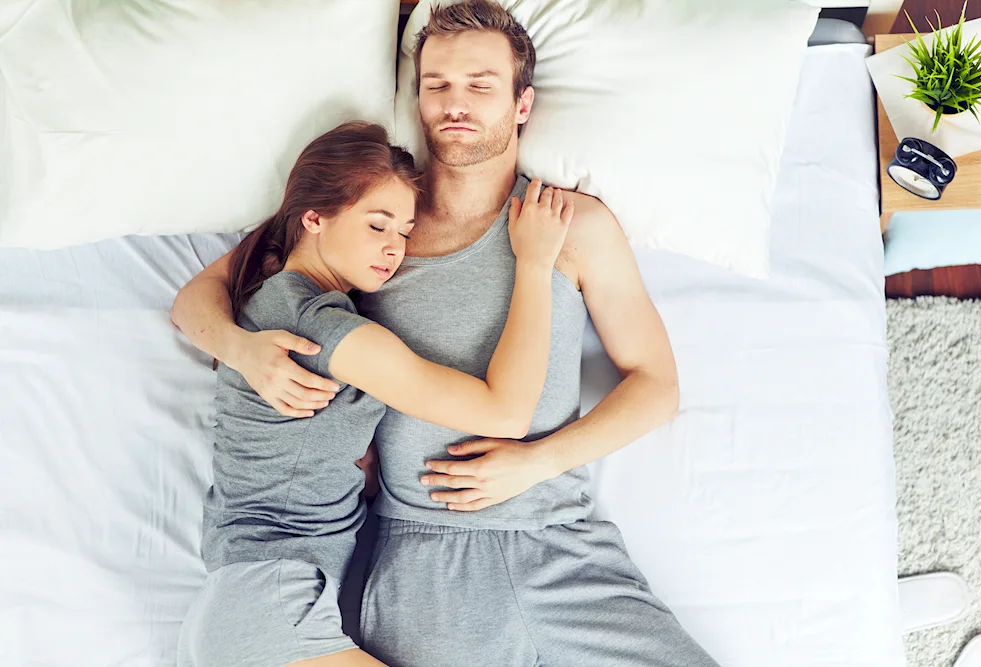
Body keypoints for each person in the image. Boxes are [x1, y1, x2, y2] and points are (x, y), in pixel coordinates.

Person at [172, 2, 721, 665]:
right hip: (422, 553)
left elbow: (657, 387)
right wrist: (241, 349)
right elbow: (203, 297)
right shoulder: (368, 224)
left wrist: (537, 461)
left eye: (480, 85)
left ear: (522, 104)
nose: (454, 103)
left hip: (556, 535)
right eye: (436, 85)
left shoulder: (569, 223)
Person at [174, 120, 573, 667]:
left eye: (404, 232)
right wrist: (535, 265)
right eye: (377, 226)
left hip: (262, 602)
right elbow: (505, 412)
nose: (395, 249)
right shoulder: (323, 327)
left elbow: (194, 302)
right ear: (313, 218)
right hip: (271, 605)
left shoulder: (274, 293)